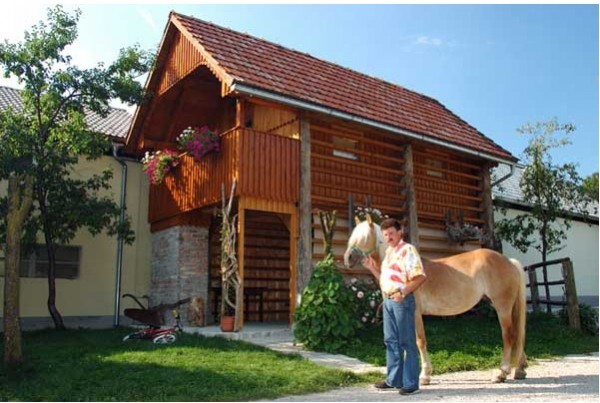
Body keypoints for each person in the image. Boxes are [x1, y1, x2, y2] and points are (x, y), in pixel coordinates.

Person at [362, 217, 426, 396]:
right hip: (388, 300)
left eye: (391, 233)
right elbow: (385, 279)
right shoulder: (390, 253)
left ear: (400, 232)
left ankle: (411, 383)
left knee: (406, 341)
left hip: (401, 300)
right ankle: (394, 380)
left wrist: (403, 292)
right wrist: (372, 269)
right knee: (391, 341)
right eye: (385, 235)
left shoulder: (408, 250)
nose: (388, 237)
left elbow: (420, 277)